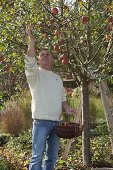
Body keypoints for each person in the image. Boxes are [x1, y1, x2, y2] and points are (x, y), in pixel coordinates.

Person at [24, 25, 77, 170]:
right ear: (39, 60)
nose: (45, 56)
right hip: (41, 123)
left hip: (57, 123)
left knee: (52, 158)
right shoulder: (35, 75)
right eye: (42, 55)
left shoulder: (57, 78)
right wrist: (32, 41)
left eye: (48, 55)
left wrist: (68, 109)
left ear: (53, 59)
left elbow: (62, 100)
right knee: (37, 157)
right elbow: (29, 59)